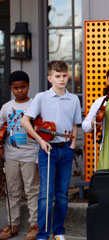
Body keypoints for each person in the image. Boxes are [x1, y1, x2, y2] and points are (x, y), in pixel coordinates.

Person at [21, 61, 82, 240]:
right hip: (48, 149)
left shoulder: (74, 99)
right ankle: (43, 234)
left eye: (64, 75)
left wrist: (72, 145)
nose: (61, 79)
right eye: (57, 76)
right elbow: (25, 121)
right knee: (46, 195)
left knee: (62, 194)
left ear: (67, 76)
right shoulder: (41, 97)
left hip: (66, 149)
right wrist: (40, 140)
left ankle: (59, 231)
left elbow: (75, 124)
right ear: (50, 78)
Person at [0, 71, 40, 240]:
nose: (20, 91)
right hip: (11, 155)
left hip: (30, 154)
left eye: (23, 87)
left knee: (32, 190)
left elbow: (41, 131)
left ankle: (34, 224)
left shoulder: (34, 105)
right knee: (12, 191)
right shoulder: (6, 107)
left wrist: (39, 157)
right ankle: (13, 224)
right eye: (16, 88)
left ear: (28, 85)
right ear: (11, 88)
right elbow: (1, 127)